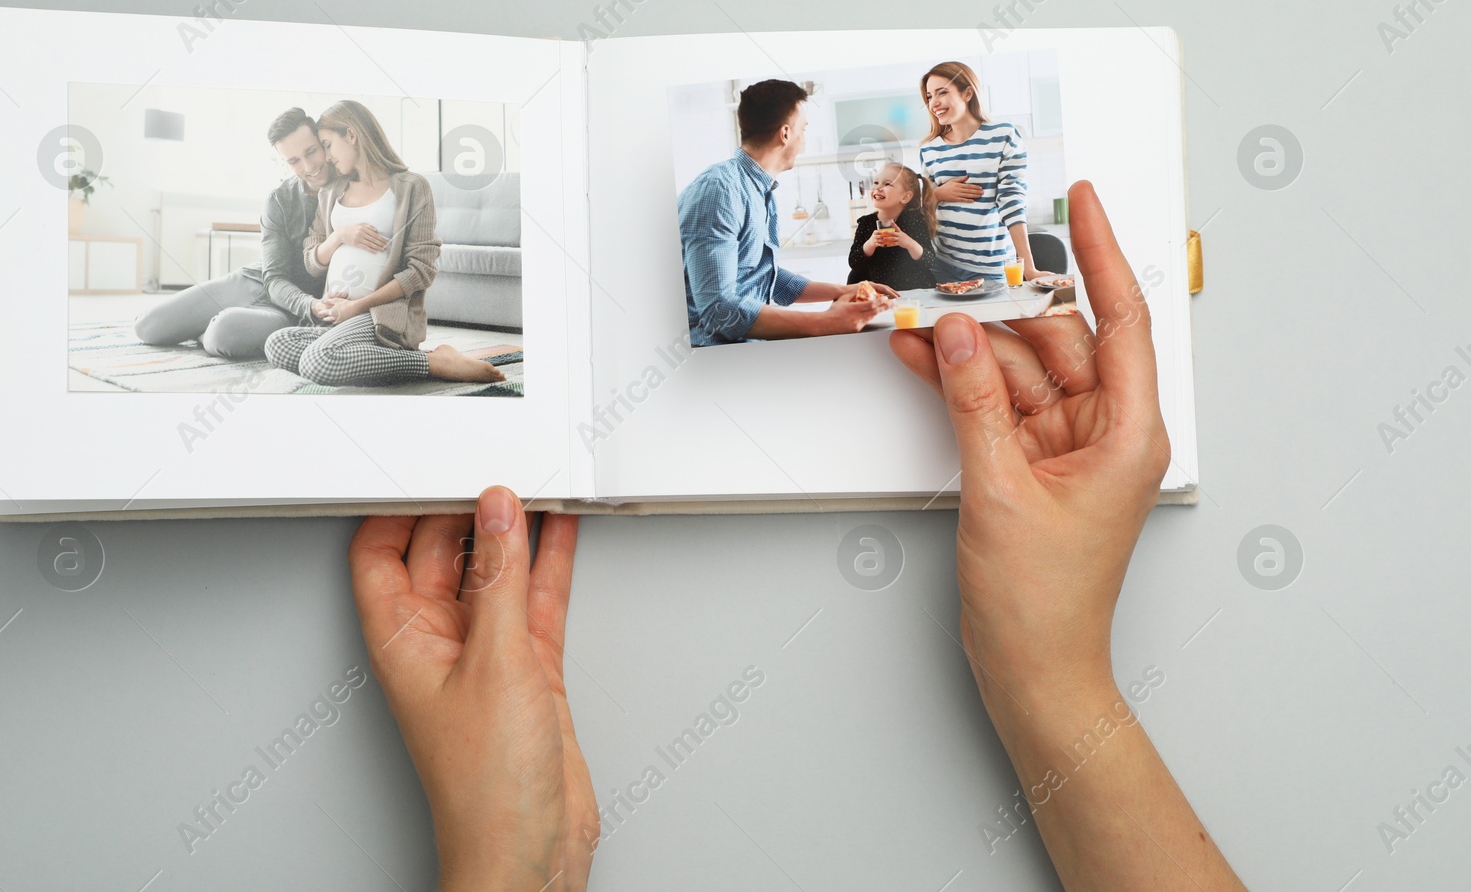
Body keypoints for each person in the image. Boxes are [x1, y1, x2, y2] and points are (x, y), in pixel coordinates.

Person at [348, 179, 1246, 891]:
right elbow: (761, 296)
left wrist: (513, 864)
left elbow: (807, 287)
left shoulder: (880, 222)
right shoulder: (807, 216)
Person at [263, 100, 504, 387]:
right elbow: (311, 262)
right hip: (335, 315)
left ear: (351, 135)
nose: (325, 158)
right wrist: (339, 236)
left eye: (326, 145)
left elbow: (421, 271)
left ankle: (432, 362)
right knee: (277, 343)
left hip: (379, 315)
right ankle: (356, 352)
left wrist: (357, 306)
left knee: (318, 362)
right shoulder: (331, 191)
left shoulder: (411, 187)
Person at [677, 78, 895, 346]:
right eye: (803, 129)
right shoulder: (720, 190)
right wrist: (827, 323)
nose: (803, 139)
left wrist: (845, 289)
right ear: (785, 133)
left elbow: (766, 275)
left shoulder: (757, 188)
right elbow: (718, 309)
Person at [131, 107, 334, 358]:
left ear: (323, 143)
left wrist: (310, 306)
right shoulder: (279, 198)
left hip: (290, 311)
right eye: (293, 161)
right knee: (147, 327)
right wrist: (309, 304)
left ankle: (213, 325)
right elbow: (273, 278)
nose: (308, 166)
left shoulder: (353, 189)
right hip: (256, 281)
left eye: (311, 151)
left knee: (222, 335)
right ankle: (213, 320)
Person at [918, 61, 1053, 284]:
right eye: (929, 96)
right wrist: (939, 194)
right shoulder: (929, 149)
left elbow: (1012, 200)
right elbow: (922, 207)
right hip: (941, 264)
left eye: (942, 92)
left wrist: (1028, 267)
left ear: (967, 93)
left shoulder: (1004, 136)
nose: (934, 103)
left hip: (993, 266)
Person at [846, 161, 936, 292]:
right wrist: (870, 244)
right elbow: (854, 262)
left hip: (915, 294)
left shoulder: (914, 221)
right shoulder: (865, 223)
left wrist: (908, 243)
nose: (878, 188)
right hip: (881, 296)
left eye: (887, 184)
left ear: (905, 197)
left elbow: (929, 261)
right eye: (876, 182)